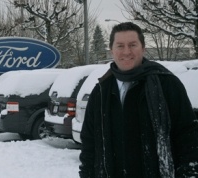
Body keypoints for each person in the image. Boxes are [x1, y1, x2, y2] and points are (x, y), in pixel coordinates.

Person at [79, 22, 198, 178]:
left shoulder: (167, 85)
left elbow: (187, 137)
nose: (126, 52)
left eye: (133, 45)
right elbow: (89, 142)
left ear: (143, 48)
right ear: (112, 51)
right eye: (120, 46)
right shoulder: (101, 91)